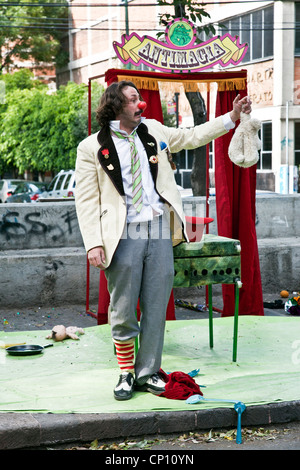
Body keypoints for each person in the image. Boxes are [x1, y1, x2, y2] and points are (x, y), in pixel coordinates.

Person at [75, 80, 252, 401]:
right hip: (121, 234)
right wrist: (93, 243)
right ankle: (126, 372)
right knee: (124, 307)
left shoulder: (154, 130)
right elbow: (86, 200)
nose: (140, 104)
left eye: (140, 98)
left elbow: (192, 136)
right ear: (115, 106)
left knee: (156, 305)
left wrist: (232, 117)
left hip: (159, 230)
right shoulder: (90, 147)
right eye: (133, 100)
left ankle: (149, 372)